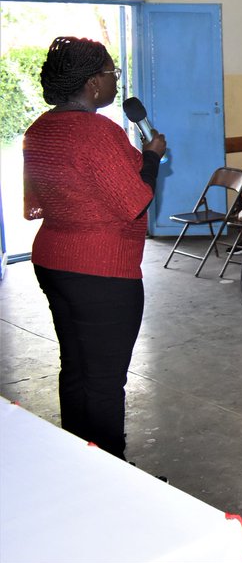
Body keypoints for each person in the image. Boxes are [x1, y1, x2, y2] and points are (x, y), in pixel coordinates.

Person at [23, 37, 166, 460]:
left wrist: (137, 160)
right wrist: (152, 158)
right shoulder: (100, 133)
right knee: (104, 381)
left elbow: (52, 196)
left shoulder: (40, 129)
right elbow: (134, 200)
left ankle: (78, 461)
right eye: (111, 73)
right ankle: (112, 472)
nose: (115, 81)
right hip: (102, 271)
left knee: (76, 367)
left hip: (53, 260)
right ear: (91, 83)